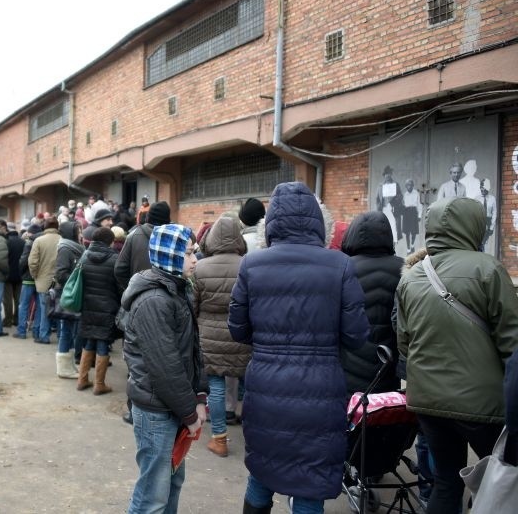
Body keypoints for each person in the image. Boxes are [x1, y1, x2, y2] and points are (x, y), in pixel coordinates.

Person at [228, 181, 369, 514]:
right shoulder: (340, 266)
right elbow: (357, 335)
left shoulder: (252, 265)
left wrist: (269, 342)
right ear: (317, 221)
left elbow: (238, 330)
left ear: (272, 221)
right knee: (309, 483)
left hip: (265, 388)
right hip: (320, 393)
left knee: (262, 471)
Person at [396, 196, 518, 514]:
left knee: (446, 481)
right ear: (475, 226)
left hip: (427, 401)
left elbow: (404, 343)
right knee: (497, 481)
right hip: (482, 404)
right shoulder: (488, 269)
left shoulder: (411, 275)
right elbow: (512, 343)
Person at [121, 223, 206, 513]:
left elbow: (192, 351)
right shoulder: (155, 299)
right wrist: (189, 411)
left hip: (173, 404)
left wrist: (201, 397)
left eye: (195, 253)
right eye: (188, 254)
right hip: (156, 409)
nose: (195, 260)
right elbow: (165, 366)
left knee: (171, 482)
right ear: (169, 256)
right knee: (152, 496)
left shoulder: (177, 289)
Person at [193, 216, 249, 457]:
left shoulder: (201, 267)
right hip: (243, 337)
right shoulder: (249, 264)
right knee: (249, 386)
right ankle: (253, 435)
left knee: (215, 386)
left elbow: (192, 306)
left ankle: (219, 439)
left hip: (209, 337)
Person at [114, 200, 171, 424]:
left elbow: (119, 269)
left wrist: (130, 291)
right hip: (167, 304)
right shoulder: (173, 237)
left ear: (147, 218)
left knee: (135, 359)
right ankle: (162, 408)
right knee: (165, 355)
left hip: (136, 305)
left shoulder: (135, 236)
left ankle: (134, 410)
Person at [340, 211, 403, 396]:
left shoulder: (343, 268)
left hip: (348, 370)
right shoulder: (404, 269)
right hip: (388, 368)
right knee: (384, 415)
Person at [76, 226, 121, 395]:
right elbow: (119, 286)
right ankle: (99, 384)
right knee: (103, 342)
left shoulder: (84, 256)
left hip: (88, 306)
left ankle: (82, 379)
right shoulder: (115, 258)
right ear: (110, 241)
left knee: (88, 341)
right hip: (107, 308)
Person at [53, 220, 85, 378]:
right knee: (66, 329)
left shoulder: (76, 248)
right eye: (78, 231)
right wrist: (76, 278)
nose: (81, 233)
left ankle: (69, 365)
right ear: (71, 232)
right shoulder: (66, 249)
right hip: (68, 294)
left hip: (73, 294)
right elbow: (60, 273)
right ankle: (64, 368)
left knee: (71, 329)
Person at [28, 216, 61, 344]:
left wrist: (35, 275)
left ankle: (44, 336)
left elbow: (32, 262)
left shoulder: (39, 241)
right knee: (59, 309)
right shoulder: (63, 240)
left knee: (43, 309)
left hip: (42, 280)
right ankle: (61, 336)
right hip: (59, 280)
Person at [14, 223, 44, 340]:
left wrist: (22, 273)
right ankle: (36, 332)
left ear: (30, 233)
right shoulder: (44, 242)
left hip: (28, 278)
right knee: (40, 307)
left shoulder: (29, 243)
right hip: (40, 278)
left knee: (24, 305)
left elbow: (23, 260)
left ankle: (21, 331)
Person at [375, 165, 403, 246]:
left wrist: (394, 202)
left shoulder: (395, 184)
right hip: (383, 209)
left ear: (391, 175)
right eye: (386, 174)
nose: (388, 176)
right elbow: (377, 198)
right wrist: (379, 207)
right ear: (384, 175)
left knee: (393, 226)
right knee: (382, 226)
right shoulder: (381, 186)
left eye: (389, 174)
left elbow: (400, 196)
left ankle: (393, 245)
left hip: (392, 208)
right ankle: (383, 245)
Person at [4, 222, 24, 328]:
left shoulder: (6, 242)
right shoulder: (23, 242)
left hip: (7, 275)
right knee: (18, 299)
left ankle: (7, 320)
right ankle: (16, 319)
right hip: (20, 275)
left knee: (7, 299)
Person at [474, 178, 497, 251]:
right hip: (479, 222)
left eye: (485, 187)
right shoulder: (477, 199)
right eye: (481, 187)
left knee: (486, 244)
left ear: (488, 188)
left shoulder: (492, 198)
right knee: (479, 242)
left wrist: (491, 227)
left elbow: (494, 213)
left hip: (488, 222)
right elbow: (474, 212)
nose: (483, 189)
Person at [401, 179, 422, 254]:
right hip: (406, 213)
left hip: (413, 212)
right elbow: (403, 204)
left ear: (412, 186)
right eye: (407, 185)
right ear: (406, 186)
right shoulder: (405, 194)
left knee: (413, 231)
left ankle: (412, 244)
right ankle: (408, 248)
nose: (408, 187)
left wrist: (419, 215)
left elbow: (419, 204)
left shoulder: (416, 193)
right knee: (407, 232)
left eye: (410, 185)